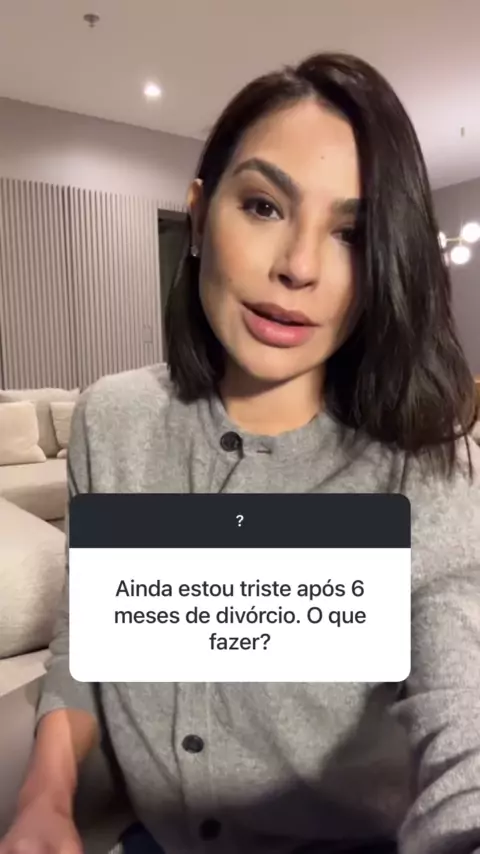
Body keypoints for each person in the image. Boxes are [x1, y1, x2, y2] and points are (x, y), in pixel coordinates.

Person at [1, 51, 479, 854]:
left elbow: (464, 714)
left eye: (351, 234)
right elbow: (91, 639)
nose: (299, 267)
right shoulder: (114, 420)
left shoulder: (425, 466)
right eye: (263, 206)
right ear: (198, 215)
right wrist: (43, 799)